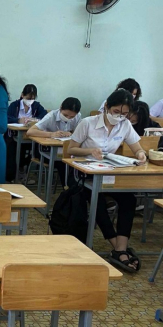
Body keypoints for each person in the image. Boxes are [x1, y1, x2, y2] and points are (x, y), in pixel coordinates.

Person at [68, 89, 148, 273]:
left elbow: (137, 148)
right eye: (116, 112)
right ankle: (117, 246)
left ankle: (121, 248)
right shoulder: (87, 123)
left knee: (129, 200)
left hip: (109, 172)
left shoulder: (124, 125)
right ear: (106, 107)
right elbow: (71, 149)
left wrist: (140, 154)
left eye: (124, 113)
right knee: (97, 201)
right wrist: (90, 151)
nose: (119, 117)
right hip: (85, 174)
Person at [27, 97, 82, 187]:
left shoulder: (78, 116)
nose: (68, 118)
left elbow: (78, 133)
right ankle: (69, 188)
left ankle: (76, 188)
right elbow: (30, 131)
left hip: (65, 149)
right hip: (45, 150)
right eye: (65, 115)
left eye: (72, 117)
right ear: (60, 108)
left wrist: (71, 133)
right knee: (63, 162)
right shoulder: (51, 116)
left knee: (76, 161)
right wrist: (51, 134)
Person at [5, 84, 48, 181]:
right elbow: (6, 118)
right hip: (14, 136)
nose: (30, 101)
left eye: (32, 98)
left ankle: (25, 171)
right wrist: (18, 120)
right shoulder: (14, 105)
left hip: (30, 136)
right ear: (22, 95)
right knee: (13, 148)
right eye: (28, 98)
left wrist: (35, 120)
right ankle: (12, 176)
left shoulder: (36, 106)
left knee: (37, 148)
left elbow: (45, 116)